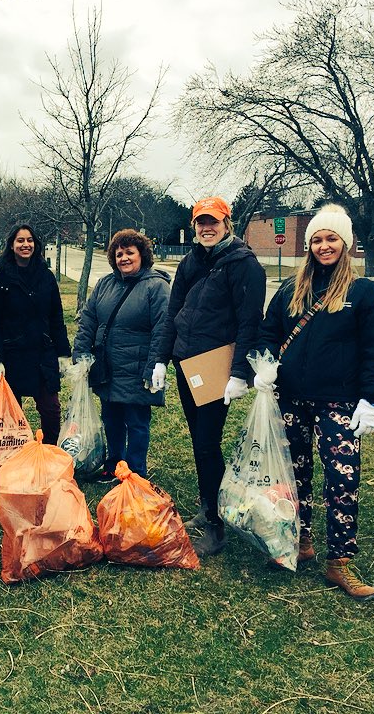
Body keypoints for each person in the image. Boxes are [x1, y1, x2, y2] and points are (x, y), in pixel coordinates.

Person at [254, 204, 374, 600]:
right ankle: (300, 542)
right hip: (291, 398)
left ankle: (339, 563)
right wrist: (265, 366)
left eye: (331, 238)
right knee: (294, 476)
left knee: (342, 480)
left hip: (340, 403)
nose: (323, 246)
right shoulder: (290, 290)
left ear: (345, 244)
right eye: (317, 239)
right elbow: (267, 332)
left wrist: (369, 400)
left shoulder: (363, 293)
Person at [147, 197, 266, 556]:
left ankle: (215, 525)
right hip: (187, 364)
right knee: (200, 441)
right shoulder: (190, 261)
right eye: (200, 222)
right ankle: (207, 506)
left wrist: (240, 372)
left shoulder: (243, 265)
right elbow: (173, 314)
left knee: (207, 441)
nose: (206, 228)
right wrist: (160, 360)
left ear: (227, 223)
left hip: (217, 365)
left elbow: (250, 321)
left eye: (213, 221)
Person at [73, 229, 170, 481]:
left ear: (142, 255)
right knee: (111, 419)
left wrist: (155, 366)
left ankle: (135, 473)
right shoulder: (106, 284)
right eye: (118, 254)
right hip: (108, 367)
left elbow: (163, 328)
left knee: (136, 423)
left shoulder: (156, 286)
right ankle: (114, 465)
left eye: (129, 252)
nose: (123, 258)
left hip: (137, 369)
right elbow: (89, 319)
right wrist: (81, 353)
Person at [0, 223, 71, 445]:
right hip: (11, 354)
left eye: (29, 240)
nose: (25, 244)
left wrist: (63, 354)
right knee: (11, 411)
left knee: (51, 408)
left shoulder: (46, 277)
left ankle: (50, 453)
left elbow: (56, 317)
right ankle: (13, 455)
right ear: (11, 245)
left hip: (42, 353)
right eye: (20, 240)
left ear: (36, 244)